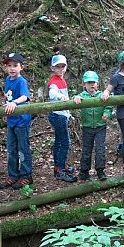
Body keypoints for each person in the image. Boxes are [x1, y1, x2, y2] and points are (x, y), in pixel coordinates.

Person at [0, 53, 33, 190]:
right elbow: (7, 96)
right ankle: (13, 175)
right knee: (11, 149)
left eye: (15, 65)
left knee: (23, 148)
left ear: (21, 67)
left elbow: (25, 96)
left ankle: (26, 175)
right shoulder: (8, 80)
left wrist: (14, 103)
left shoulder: (21, 81)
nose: (12, 68)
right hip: (11, 120)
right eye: (9, 65)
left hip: (21, 120)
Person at [73, 70, 112, 181]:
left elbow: (108, 107)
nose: (91, 84)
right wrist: (76, 98)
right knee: (86, 149)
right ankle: (84, 171)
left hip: (100, 126)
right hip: (87, 127)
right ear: (84, 84)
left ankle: (100, 170)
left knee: (100, 149)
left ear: (97, 84)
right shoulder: (82, 96)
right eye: (88, 82)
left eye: (93, 82)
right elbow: (75, 100)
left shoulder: (102, 95)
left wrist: (106, 113)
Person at [46, 54, 77, 182]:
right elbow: (52, 93)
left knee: (59, 141)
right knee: (64, 142)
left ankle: (59, 167)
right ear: (53, 68)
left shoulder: (62, 80)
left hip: (62, 114)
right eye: (57, 67)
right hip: (57, 115)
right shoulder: (53, 81)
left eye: (62, 66)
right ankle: (59, 169)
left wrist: (68, 113)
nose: (60, 69)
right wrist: (60, 97)